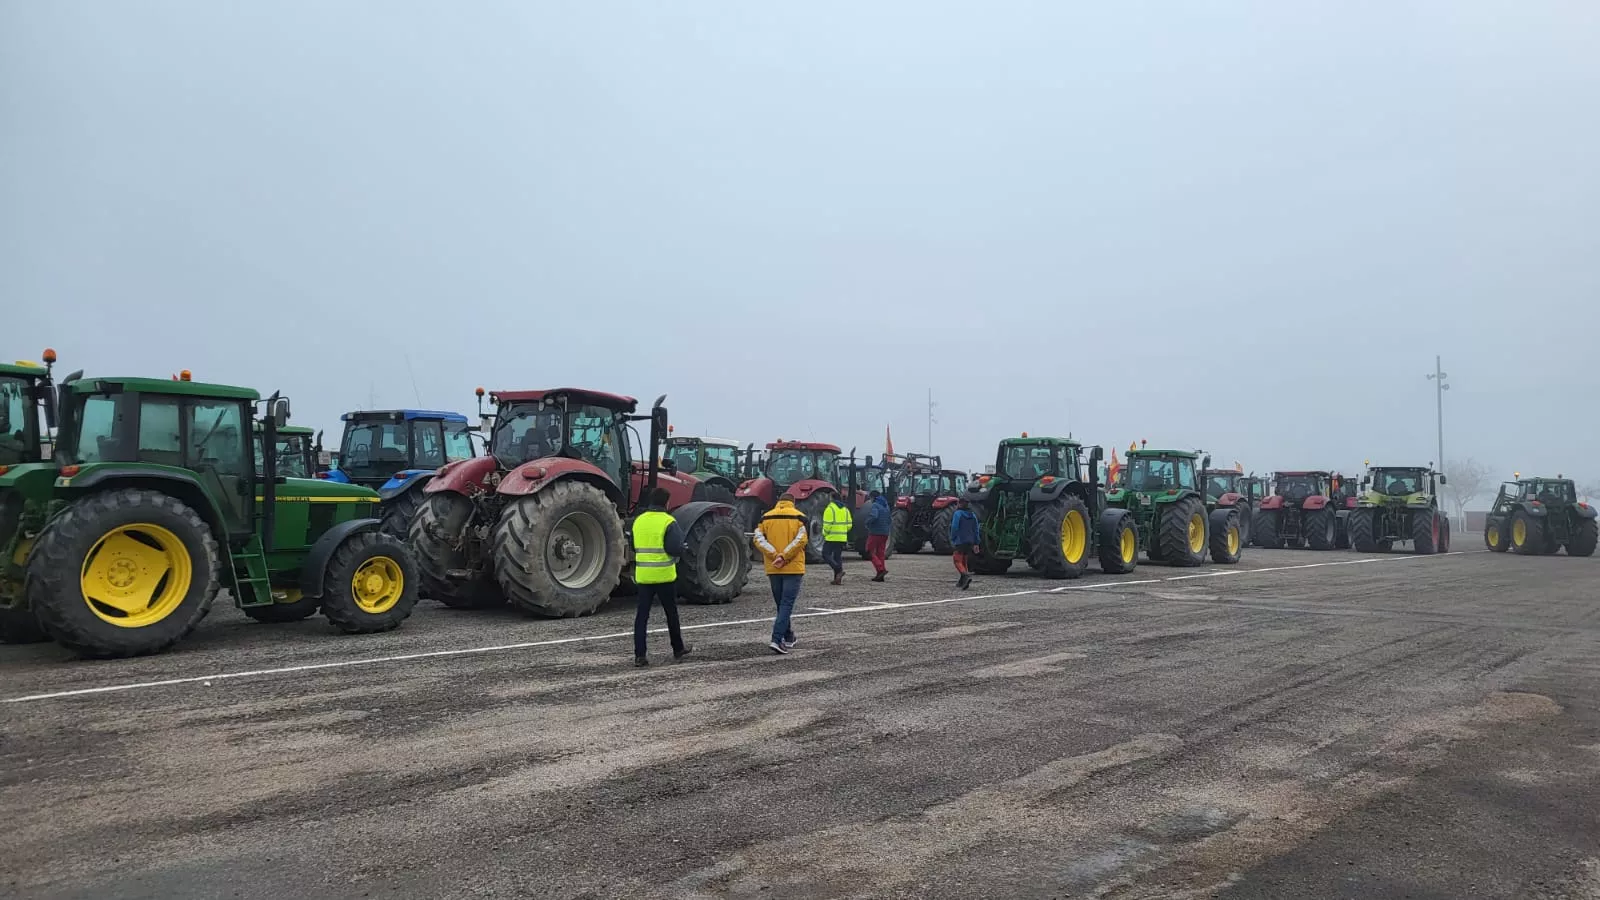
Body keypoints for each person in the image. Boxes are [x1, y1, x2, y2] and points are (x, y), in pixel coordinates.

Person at [631, 487, 691, 667]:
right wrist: (683, 549)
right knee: (671, 613)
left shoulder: (639, 521)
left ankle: (640, 655)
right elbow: (674, 548)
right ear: (667, 502)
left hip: (644, 577)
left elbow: (633, 546)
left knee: (642, 617)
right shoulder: (668, 521)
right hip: (664, 576)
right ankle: (678, 648)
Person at [754, 491, 808, 654]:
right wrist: (784, 556)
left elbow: (758, 539)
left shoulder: (765, 518)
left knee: (781, 604)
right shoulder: (799, 517)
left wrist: (774, 555)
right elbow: (800, 540)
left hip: (773, 568)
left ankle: (789, 636)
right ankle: (776, 639)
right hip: (793, 567)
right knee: (786, 604)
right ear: (793, 502)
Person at [821, 492, 853, 585]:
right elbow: (849, 524)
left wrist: (824, 533)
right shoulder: (845, 509)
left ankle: (838, 570)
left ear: (831, 498)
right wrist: (843, 531)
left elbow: (827, 525)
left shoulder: (830, 509)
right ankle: (837, 579)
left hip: (831, 537)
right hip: (842, 537)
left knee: (825, 554)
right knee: (837, 556)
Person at [949, 498, 981, 590]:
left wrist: (953, 537)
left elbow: (954, 526)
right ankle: (962, 581)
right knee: (964, 561)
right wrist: (976, 542)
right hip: (970, 541)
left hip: (960, 540)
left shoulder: (958, 514)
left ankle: (966, 576)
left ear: (960, 504)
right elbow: (976, 529)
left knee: (957, 560)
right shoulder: (972, 515)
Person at [864, 490, 892, 582]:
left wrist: (867, 523)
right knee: (880, 553)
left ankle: (880, 569)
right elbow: (890, 520)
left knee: (869, 551)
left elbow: (874, 516)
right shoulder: (886, 506)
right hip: (885, 533)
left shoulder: (875, 505)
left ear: (873, 497)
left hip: (875, 532)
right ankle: (880, 576)